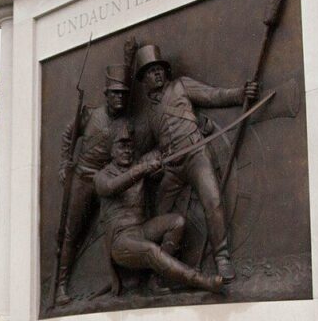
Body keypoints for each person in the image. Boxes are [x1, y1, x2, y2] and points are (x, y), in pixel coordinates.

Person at [133, 44, 258, 282]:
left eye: (159, 69)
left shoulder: (181, 86)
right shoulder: (149, 114)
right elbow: (145, 148)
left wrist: (241, 94)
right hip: (172, 167)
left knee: (212, 200)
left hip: (196, 156)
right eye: (151, 71)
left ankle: (222, 258)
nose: (157, 73)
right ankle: (164, 267)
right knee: (160, 216)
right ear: (143, 80)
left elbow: (214, 95)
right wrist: (151, 160)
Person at [95, 126, 224, 294]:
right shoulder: (101, 177)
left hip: (142, 230)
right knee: (150, 250)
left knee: (176, 222)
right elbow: (112, 187)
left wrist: (194, 136)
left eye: (129, 146)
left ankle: (156, 279)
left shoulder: (138, 165)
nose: (127, 151)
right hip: (120, 241)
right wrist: (142, 169)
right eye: (121, 146)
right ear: (111, 151)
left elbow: (162, 154)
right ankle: (199, 280)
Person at [55, 64, 132, 305]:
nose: (120, 97)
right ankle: (61, 286)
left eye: (123, 93)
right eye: (115, 93)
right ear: (106, 95)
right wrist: (64, 162)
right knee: (71, 233)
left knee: (115, 228)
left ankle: (117, 282)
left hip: (106, 180)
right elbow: (69, 135)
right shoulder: (90, 114)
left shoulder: (125, 124)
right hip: (82, 178)